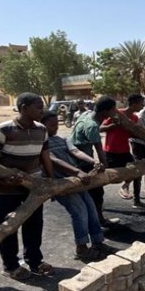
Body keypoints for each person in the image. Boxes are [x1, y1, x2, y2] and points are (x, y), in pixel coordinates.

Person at [0, 93, 54, 280]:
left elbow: (45, 156)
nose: (42, 110)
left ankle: (34, 261)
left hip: (34, 188)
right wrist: (6, 177)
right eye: (38, 107)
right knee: (8, 228)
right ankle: (10, 266)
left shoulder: (41, 129)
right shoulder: (3, 130)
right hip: (7, 189)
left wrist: (50, 180)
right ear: (24, 108)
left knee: (34, 225)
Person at [42, 111, 109, 261]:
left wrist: (94, 162)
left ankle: (98, 242)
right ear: (42, 125)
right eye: (51, 125)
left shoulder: (61, 139)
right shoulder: (40, 143)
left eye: (56, 124)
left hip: (76, 181)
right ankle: (82, 248)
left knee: (90, 207)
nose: (55, 128)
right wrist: (77, 171)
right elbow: (52, 159)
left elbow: (75, 151)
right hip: (61, 182)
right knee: (79, 211)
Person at [102, 94, 145, 209]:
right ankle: (98, 204)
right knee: (104, 179)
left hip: (124, 151)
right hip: (110, 152)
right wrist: (115, 125)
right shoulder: (116, 114)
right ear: (133, 104)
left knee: (137, 172)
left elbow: (132, 133)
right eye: (140, 103)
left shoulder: (134, 118)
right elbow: (101, 127)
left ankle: (137, 200)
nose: (142, 106)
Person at [69, 96, 112, 223]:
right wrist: (106, 168)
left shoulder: (86, 114)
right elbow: (99, 149)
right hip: (81, 161)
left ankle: (95, 219)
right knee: (97, 192)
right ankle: (98, 220)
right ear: (106, 112)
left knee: (89, 193)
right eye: (113, 110)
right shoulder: (92, 125)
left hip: (78, 157)